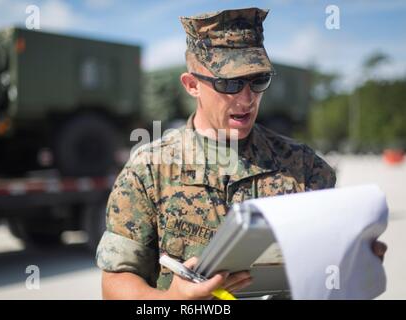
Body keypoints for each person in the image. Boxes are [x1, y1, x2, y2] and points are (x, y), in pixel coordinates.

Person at [96, 7, 387, 300]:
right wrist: (173, 301)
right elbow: (115, 285)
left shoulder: (304, 167)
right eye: (229, 83)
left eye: (258, 80)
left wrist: (355, 264)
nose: (246, 98)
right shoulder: (149, 170)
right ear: (192, 85)